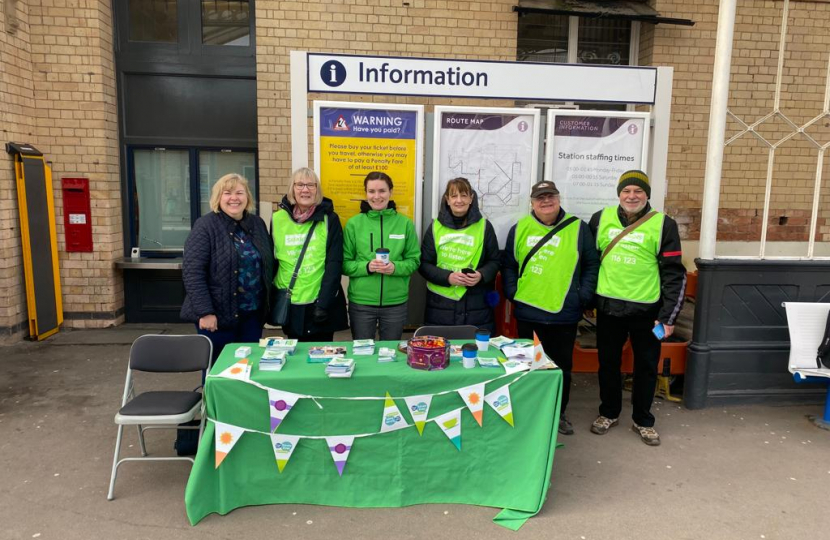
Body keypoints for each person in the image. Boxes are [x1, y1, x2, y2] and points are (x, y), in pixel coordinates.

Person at [588, 170, 685, 446]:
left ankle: (643, 420)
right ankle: (608, 412)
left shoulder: (663, 224)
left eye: (638, 191)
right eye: (627, 191)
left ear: (647, 195)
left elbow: (673, 273)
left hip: (648, 314)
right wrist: (588, 301)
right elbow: (591, 262)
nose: (632, 196)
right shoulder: (600, 219)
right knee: (608, 363)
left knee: (646, 366)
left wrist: (668, 317)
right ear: (619, 193)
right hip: (608, 309)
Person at [503, 180, 599, 436]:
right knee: (529, 366)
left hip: (564, 313)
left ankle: (558, 413)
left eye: (551, 197)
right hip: (528, 311)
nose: (546, 202)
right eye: (540, 198)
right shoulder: (520, 228)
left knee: (560, 368)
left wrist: (583, 296)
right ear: (532, 203)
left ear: (558, 199)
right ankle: (530, 412)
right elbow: (510, 265)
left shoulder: (579, 228)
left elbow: (591, 264)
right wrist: (513, 293)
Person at [181, 173, 274, 364]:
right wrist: (205, 312)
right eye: (227, 193)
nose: (234, 198)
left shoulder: (256, 224)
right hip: (217, 317)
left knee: (249, 368)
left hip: (251, 315)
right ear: (218, 197)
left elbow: (267, 263)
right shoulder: (205, 226)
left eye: (239, 192)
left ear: (247, 197)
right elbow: (193, 272)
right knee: (218, 370)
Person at [342, 171, 421, 340]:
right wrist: (366, 267)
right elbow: (344, 263)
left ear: (390, 192)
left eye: (382, 191)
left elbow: (414, 261)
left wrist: (395, 267)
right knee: (363, 352)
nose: (377, 196)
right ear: (366, 193)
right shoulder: (354, 224)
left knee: (390, 354)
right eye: (371, 191)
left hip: (395, 303)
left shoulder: (405, 224)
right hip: (361, 302)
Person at [272, 167, 348, 342]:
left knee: (322, 357)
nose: (305, 189)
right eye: (299, 184)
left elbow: (334, 263)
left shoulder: (330, 219)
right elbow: (273, 260)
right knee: (294, 357)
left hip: (320, 301)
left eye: (310, 185)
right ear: (292, 188)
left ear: (317, 190)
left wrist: (324, 303)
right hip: (290, 300)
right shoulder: (277, 219)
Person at [419, 177, 500, 332]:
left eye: (464, 195)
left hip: (477, 305)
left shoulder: (484, 226)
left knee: (476, 353)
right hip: (441, 306)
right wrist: (447, 277)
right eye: (454, 196)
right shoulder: (435, 227)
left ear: (471, 198)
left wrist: (481, 275)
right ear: (447, 200)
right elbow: (424, 264)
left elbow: (495, 261)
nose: (459, 200)